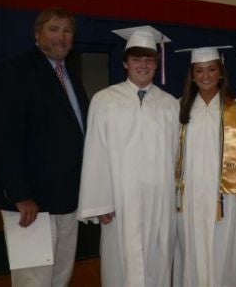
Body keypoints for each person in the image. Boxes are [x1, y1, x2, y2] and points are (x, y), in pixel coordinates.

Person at [0, 7, 89, 286]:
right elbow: (3, 138)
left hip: (67, 199)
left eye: (67, 31)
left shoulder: (69, 76)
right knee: (33, 280)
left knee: (60, 276)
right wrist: (20, 194)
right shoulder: (13, 72)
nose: (61, 37)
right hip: (31, 204)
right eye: (53, 29)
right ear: (37, 34)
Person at [76, 25, 179, 287]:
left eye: (149, 59)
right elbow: (95, 152)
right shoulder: (105, 100)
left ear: (157, 64)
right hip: (120, 203)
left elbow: (178, 157)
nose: (143, 65)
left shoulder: (170, 104)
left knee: (159, 258)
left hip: (161, 202)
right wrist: (100, 202)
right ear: (125, 63)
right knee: (120, 264)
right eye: (136, 59)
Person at [173, 46, 236, 286]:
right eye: (199, 70)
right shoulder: (179, 107)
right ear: (192, 75)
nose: (205, 76)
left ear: (221, 73)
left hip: (224, 196)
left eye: (212, 69)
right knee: (190, 246)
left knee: (222, 247)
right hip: (190, 195)